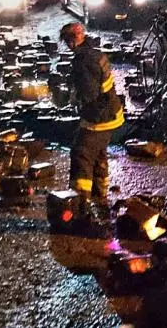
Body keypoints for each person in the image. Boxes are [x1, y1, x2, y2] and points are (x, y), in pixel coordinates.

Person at [60, 22, 124, 206]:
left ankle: (80, 200)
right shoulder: (95, 53)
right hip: (112, 112)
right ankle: (100, 194)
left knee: (82, 153)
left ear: (72, 42)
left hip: (99, 118)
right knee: (98, 152)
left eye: (67, 41)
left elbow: (88, 96)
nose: (68, 45)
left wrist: (73, 102)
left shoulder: (83, 63)